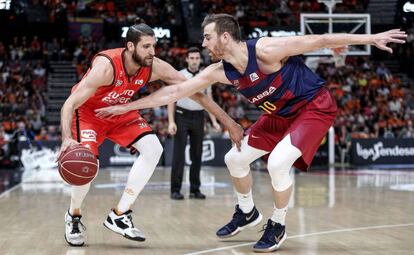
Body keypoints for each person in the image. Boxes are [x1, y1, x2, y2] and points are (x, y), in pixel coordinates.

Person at [94, 14, 406, 252]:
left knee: (278, 163)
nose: (203, 44)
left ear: (225, 38)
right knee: (234, 159)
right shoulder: (220, 71)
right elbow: (174, 93)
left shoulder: (267, 50)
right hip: (280, 116)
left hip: (313, 107)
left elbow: (321, 39)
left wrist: (372, 38)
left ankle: (278, 224)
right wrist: (126, 107)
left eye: (207, 38)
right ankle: (247, 212)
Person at [58, 18, 243, 247]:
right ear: (130, 46)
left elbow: (195, 91)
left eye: (154, 46)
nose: (152, 52)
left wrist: (228, 122)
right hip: (88, 114)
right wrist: (67, 138)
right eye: (146, 46)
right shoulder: (106, 67)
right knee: (86, 168)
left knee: (154, 148)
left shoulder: (154, 65)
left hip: (119, 113)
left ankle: (120, 214)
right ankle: (74, 215)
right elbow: (70, 103)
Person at [168, 47, 221, 200]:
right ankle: (175, 190)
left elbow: (209, 100)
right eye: (191, 58)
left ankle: (194, 189)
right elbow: (171, 98)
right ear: (187, 59)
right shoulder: (180, 75)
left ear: (200, 59)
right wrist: (171, 121)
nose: (194, 61)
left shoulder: (206, 76)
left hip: (198, 117)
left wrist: (214, 120)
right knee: (179, 155)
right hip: (181, 115)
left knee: (197, 155)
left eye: (197, 58)